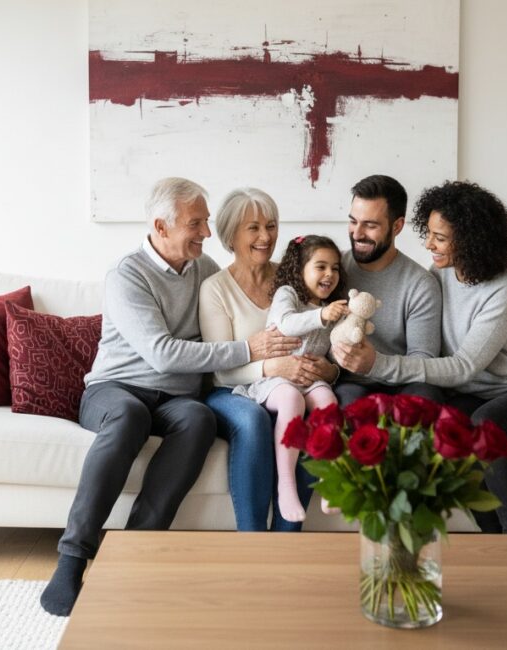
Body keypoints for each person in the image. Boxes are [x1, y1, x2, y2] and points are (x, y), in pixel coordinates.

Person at [40, 178, 299, 616]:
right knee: (129, 417)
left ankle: (136, 548)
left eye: (206, 222)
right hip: (115, 389)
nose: (206, 232)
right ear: (161, 227)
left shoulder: (204, 268)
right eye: (195, 223)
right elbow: (161, 353)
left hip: (174, 399)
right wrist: (248, 350)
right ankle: (72, 557)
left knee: (199, 420)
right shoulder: (127, 274)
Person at [382, 179, 507, 533]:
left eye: (440, 237)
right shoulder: (439, 274)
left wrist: (381, 365)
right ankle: (491, 541)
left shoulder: (505, 287)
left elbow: (464, 366)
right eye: (429, 233)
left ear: (470, 239)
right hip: (474, 391)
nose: (428, 244)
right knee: (448, 428)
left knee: (486, 425)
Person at [198, 188, 336, 531]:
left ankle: (288, 534)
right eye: (254, 228)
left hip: (293, 382)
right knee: (253, 419)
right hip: (232, 389)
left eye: (271, 226)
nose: (266, 237)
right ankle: (253, 538)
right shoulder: (215, 289)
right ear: (231, 235)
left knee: (319, 406)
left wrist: (329, 370)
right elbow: (221, 371)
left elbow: (324, 337)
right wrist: (271, 367)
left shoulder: (293, 277)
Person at [231, 235, 348, 522]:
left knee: (327, 402)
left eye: (334, 268)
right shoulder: (288, 294)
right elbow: (286, 324)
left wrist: (333, 363)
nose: (329, 274)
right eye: (320, 267)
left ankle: (329, 476)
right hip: (276, 378)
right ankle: (286, 484)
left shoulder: (330, 306)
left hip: (310, 379)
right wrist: (322, 315)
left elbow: (333, 351)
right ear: (300, 270)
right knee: (291, 399)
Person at [331, 175, 444, 405]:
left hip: (401, 384)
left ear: (397, 226)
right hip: (348, 382)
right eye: (353, 221)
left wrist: (375, 364)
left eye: (370, 225)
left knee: (425, 397)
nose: (357, 233)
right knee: (349, 403)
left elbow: (424, 360)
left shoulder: (420, 284)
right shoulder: (332, 270)